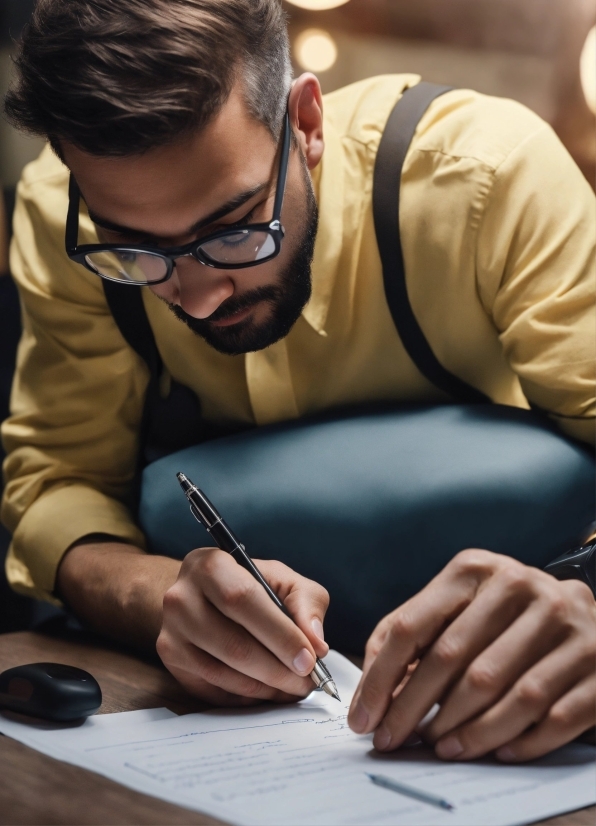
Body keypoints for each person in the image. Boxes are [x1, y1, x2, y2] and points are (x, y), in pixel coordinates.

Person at [1, 0, 594, 764]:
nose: (202, 296)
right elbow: (55, 485)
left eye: (235, 230)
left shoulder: (486, 179)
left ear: (306, 123)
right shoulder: (62, 216)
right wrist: (157, 601)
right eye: (136, 252)